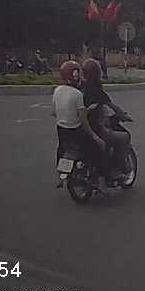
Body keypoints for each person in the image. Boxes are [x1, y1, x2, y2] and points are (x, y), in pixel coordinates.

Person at [52, 61, 107, 192]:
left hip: (61, 130)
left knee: (62, 149)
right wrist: (96, 137)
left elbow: (54, 112)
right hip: (76, 131)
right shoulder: (77, 94)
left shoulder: (57, 91)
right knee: (99, 148)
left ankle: (61, 176)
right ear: (75, 75)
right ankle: (101, 182)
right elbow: (83, 120)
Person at [80, 59, 131, 178]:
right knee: (124, 137)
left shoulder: (80, 88)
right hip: (96, 129)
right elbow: (112, 106)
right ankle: (117, 168)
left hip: (79, 129)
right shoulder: (96, 90)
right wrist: (123, 116)